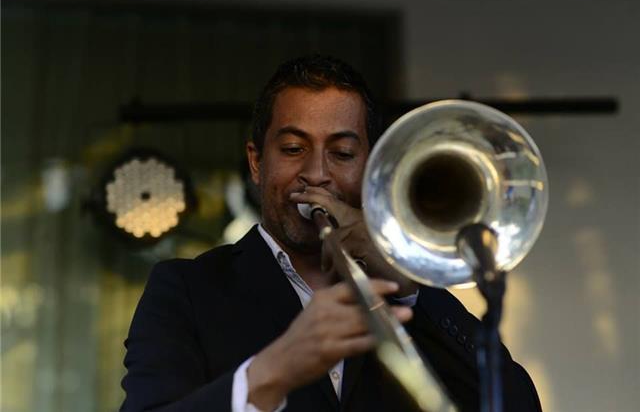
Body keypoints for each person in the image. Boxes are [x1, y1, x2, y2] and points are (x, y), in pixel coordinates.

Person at [120, 55, 542, 412]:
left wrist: (410, 287)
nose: (317, 174)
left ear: (370, 168)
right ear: (255, 162)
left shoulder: (410, 298)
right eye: (292, 149)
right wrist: (273, 370)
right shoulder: (186, 289)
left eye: (342, 153)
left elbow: (519, 404)